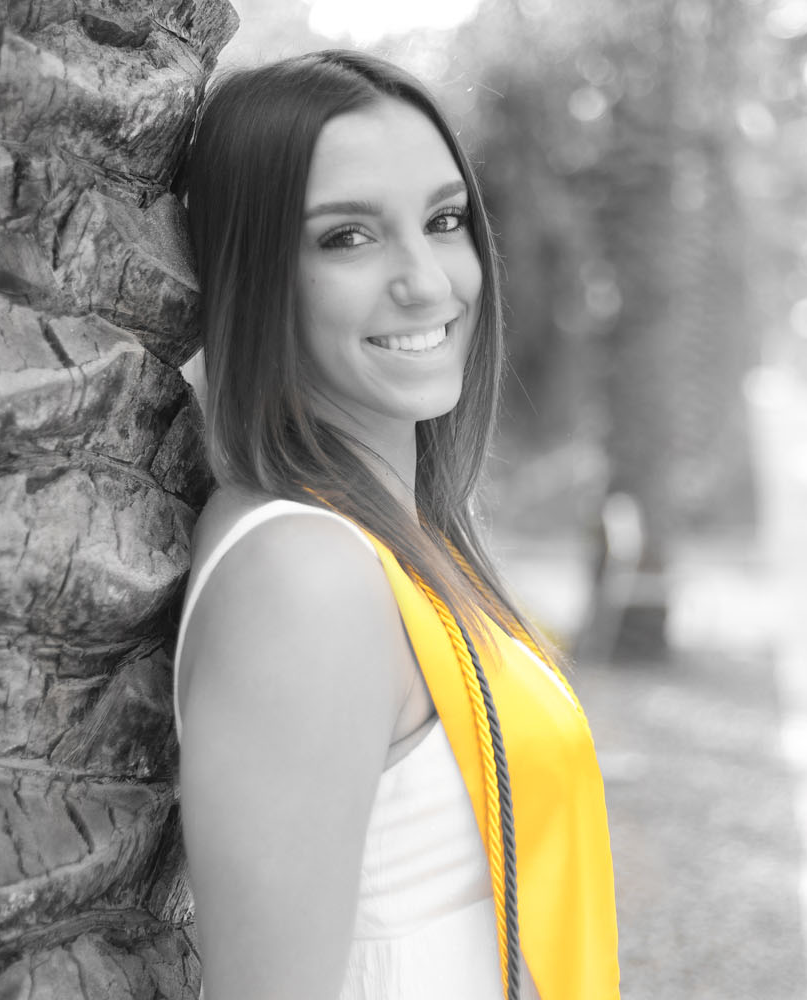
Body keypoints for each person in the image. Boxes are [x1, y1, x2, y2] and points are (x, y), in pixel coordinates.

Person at [172, 50, 620, 1000]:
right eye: (347, 238)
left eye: (444, 221)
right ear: (255, 274)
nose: (427, 281)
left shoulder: (396, 542)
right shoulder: (307, 577)